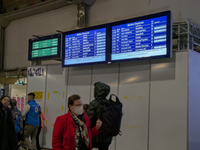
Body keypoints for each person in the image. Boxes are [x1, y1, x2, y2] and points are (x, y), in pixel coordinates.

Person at [87, 82, 112, 150]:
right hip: (107, 137)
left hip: (96, 136)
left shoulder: (94, 103)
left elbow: (89, 121)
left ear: (98, 91)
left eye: (94, 90)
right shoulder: (109, 104)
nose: (93, 92)